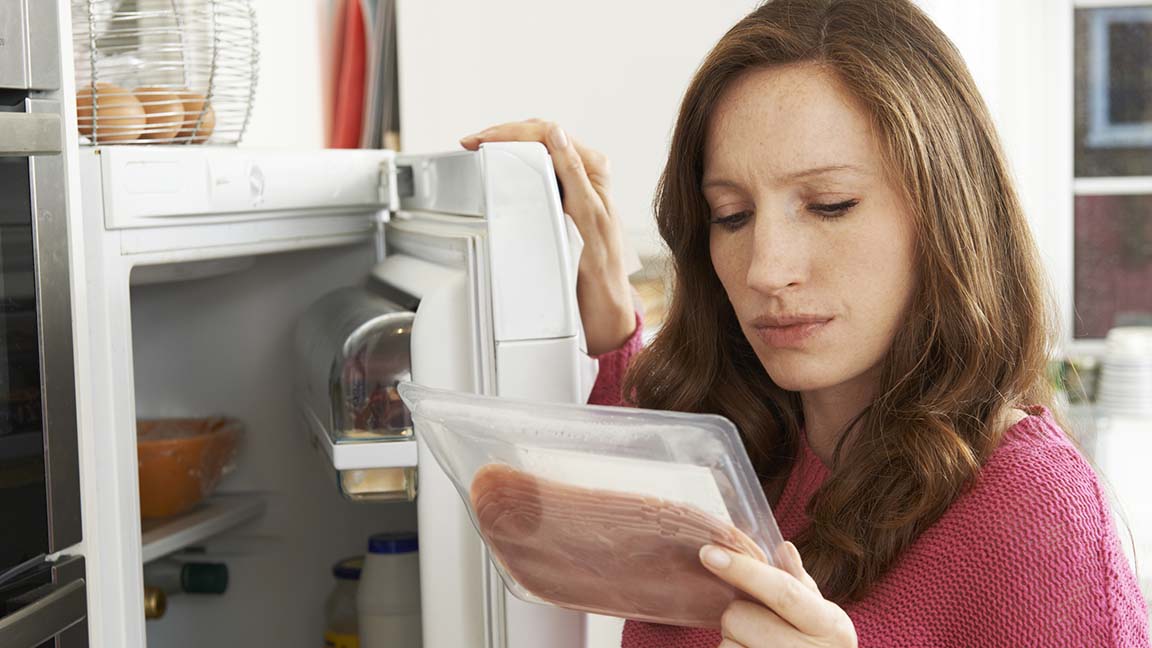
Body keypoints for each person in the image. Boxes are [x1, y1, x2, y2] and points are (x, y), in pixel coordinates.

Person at [460, 0, 1152, 646]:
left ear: (946, 215)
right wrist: (604, 294)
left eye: (829, 204)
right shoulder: (730, 447)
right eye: (731, 215)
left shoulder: (1034, 511)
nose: (766, 269)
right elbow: (592, 513)